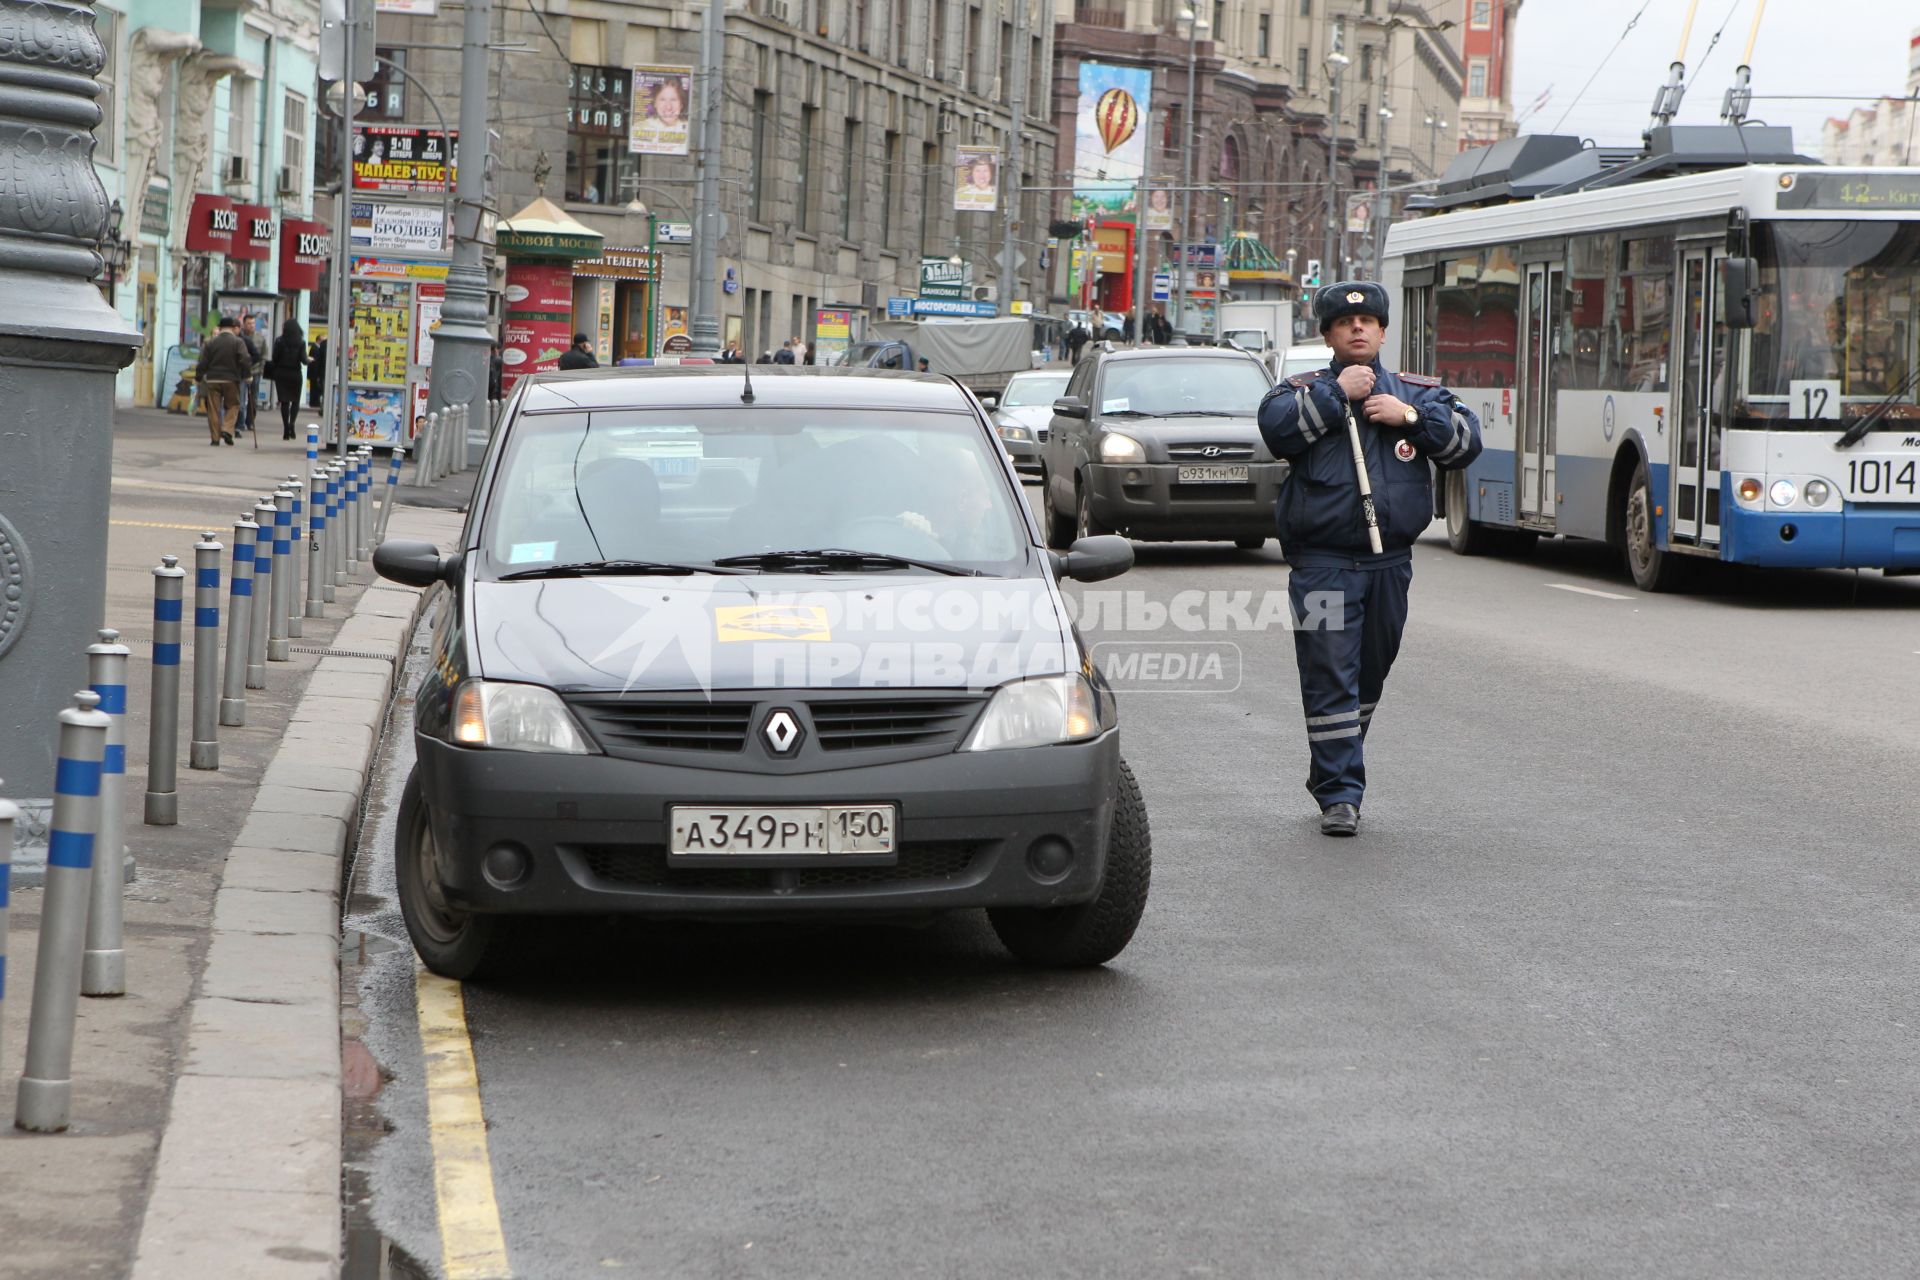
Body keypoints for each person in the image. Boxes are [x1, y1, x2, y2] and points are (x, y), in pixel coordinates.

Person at [1255, 282, 1482, 837]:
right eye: (1344, 323)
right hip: (1324, 564)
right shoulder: (1301, 391)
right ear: (1328, 334)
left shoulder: (1417, 394)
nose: (1358, 329)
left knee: (1368, 676)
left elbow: (1466, 444)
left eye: (1368, 323)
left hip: (1390, 564)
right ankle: (1340, 795)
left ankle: (1335, 764)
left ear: (1383, 332)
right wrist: (1337, 396)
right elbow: (1276, 431)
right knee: (1331, 673)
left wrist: (1408, 418)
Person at [194, 315, 250, 446]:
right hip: (231, 379)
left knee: (213, 409)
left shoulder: (211, 342)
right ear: (232, 327)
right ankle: (227, 429)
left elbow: (203, 362)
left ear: (220, 327)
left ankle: (215, 438)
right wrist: (247, 375)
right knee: (233, 405)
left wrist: (198, 377)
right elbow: (245, 359)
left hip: (213, 379)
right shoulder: (238, 342)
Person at [267, 318, 307, 440]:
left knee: (284, 401)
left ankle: (285, 428)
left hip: (281, 373)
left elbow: (274, 358)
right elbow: (304, 360)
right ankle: (292, 424)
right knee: (295, 401)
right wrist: (309, 360)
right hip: (295, 374)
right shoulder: (301, 342)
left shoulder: (279, 341)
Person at [238, 312, 264, 433]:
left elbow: (264, 355)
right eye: (249, 323)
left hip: (255, 371)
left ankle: (250, 421)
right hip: (242, 372)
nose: (251, 325)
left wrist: (261, 368)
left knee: (253, 398)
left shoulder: (260, 337)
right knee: (241, 397)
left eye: (253, 323)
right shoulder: (239, 337)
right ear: (244, 324)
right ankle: (241, 422)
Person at [307, 334, 327, 407]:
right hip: (314, 373)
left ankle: (315, 402)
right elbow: (315, 362)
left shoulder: (316, 348)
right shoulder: (315, 348)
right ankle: (314, 403)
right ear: (318, 340)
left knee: (315, 389)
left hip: (314, 373)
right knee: (314, 389)